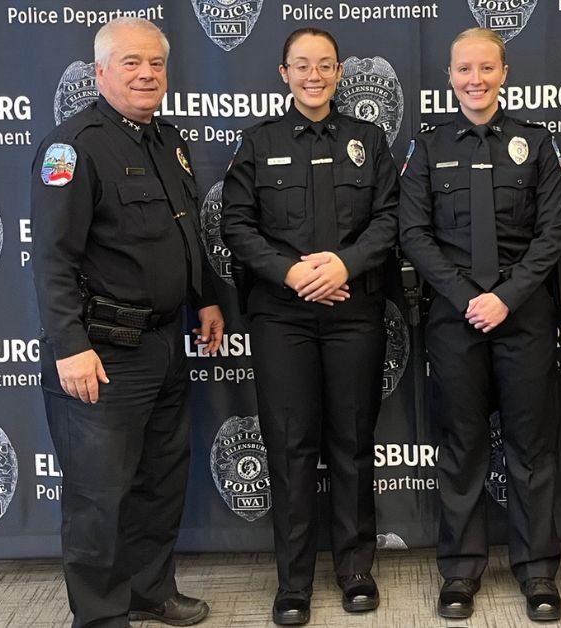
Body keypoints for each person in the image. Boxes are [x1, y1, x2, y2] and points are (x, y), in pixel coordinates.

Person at [31, 17, 223, 628]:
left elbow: (183, 233)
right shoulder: (72, 147)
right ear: (100, 72)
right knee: (98, 495)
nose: (146, 74)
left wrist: (204, 299)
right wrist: (70, 345)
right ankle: (100, 616)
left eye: (156, 64)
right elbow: (53, 258)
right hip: (101, 351)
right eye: (131, 63)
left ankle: (149, 590)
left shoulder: (168, 141)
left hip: (164, 342)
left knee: (160, 482)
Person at [220, 27, 398, 627]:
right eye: (302, 65)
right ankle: (293, 581)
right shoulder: (258, 141)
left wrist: (345, 264)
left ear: (340, 72)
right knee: (291, 447)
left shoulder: (369, 140)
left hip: (353, 311)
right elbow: (236, 225)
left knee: (352, 442)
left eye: (324, 65)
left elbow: (390, 217)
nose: (313, 75)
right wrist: (293, 273)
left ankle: (356, 570)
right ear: (284, 73)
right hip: (282, 316)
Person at [399, 27, 561, 622]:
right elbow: (414, 233)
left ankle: (537, 570)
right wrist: (469, 297)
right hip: (455, 317)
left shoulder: (537, 144)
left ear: (504, 72)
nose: (476, 79)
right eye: (464, 69)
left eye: (486, 68)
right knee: (461, 445)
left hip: (524, 315)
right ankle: (460, 570)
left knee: (531, 447)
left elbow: (554, 232)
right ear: (450, 76)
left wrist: (506, 297)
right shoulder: (427, 148)